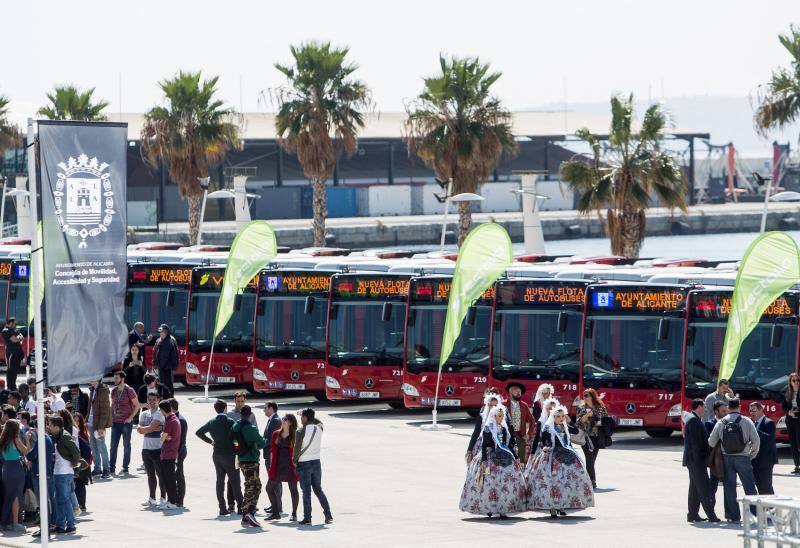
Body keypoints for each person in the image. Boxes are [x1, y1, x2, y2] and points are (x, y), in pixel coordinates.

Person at [526, 404, 593, 518]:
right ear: (553, 417)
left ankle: (562, 505)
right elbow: (544, 441)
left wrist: (569, 421)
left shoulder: (565, 425)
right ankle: (552, 507)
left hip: (566, 456)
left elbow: (576, 431)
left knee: (565, 482)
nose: (561, 418)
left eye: (562, 416)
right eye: (558, 416)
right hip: (552, 457)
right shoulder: (548, 427)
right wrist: (545, 448)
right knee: (553, 483)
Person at [460, 405, 526, 518]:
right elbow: (484, 446)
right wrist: (484, 460)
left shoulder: (504, 427)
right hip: (490, 457)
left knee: (505, 483)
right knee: (489, 484)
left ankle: (503, 509)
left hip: (505, 456)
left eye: (503, 416)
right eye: (499, 416)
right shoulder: (488, 428)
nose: (501, 418)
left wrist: (516, 457)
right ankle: (489, 508)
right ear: (494, 416)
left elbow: (508, 444)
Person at [708, 398, 760, 524]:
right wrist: (750, 455)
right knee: (750, 487)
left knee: (729, 488)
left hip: (727, 458)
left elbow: (711, 442)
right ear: (739, 406)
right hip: (743, 458)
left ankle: (734, 517)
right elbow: (756, 441)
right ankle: (756, 516)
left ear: (728, 407)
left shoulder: (721, 422)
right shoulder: (746, 421)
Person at [196, 399, 242, 516]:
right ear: (225, 408)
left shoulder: (212, 422)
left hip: (217, 454)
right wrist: (237, 448)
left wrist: (210, 441)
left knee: (219, 481)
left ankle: (222, 507)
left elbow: (199, 432)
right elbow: (236, 438)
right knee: (235, 481)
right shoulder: (230, 421)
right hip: (230, 455)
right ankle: (241, 506)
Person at [683, 399, 720, 523]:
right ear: (699, 407)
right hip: (696, 461)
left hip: (694, 461)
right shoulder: (694, 421)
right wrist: (701, 460)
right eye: (704, 407)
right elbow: (695, 444)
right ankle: (712, 516)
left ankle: (692, 514)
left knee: (694, 488)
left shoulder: (695, 420)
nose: (706, 409)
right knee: (705, 488)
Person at [295, 408, 332, 525]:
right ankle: (328, 514)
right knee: (318, 490)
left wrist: (294, 462)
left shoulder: (300, 431)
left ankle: (307, 517)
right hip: (316, 462)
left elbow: (297, 449)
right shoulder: (319, 428)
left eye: (302, 417)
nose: (300, 419)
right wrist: (311, 417)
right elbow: (319, 422)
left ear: (305, 418)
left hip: (304, 463)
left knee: (306, 492)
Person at [48, 415, 83, 535]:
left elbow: (76, 452)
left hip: (64, 473)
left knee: (64, 499)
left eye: (50, 425)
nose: (48, 427)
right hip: (60, 472)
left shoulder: (64, 436)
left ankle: (71, 525)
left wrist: (73, 464)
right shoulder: (59, 436)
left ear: (57, 426)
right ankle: (61, 525)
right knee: (59, 500)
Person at [232, 405, 266, 528]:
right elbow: (262, 443)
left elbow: (234, 442)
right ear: (250, 415)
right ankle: (248, 512)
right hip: (251, 460)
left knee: (252, 485)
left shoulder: (235, 426)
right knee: (253, 487)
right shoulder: (250, 428)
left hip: (241, 459)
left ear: (241, 414)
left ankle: (247, 515)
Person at [266, 414, 300, 521]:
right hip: (278, 466)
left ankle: (294, 514)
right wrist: (271, 466)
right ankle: (276, 512)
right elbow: (272, 451)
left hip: (291, 466)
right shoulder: (276, 434)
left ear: (290, 422)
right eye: (283, 419)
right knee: (269, 488)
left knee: (293, 489)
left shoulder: (295, 434)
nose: (283, 421)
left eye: (285, 419)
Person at [1, 419, 31, 532]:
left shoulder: (2, 440)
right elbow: (26, 450)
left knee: (9, 496)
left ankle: (5, 522)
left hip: (6, 468)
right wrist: (27, 439)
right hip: (15, 468)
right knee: (16, 496)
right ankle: (15, 523)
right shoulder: (15, 439)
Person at [136, 392, 165, 507]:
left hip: (158, 448)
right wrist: (150, 429)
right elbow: (140, 429)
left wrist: (149, 428)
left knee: (160, 475)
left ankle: (163, 498)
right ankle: (152, 498)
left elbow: (148, 428)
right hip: (146, 449)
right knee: (150, 475)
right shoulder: (144, 414)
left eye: (154, 400)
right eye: (150, 399)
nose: (152, 402)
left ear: (158, 400)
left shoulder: (160, 413)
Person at [576, 388, 609, 489]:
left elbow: (606, 420)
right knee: (589, 458)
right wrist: (587, 416)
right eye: (584, 396)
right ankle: (592, 481)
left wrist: (598, 420)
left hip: (597, 436)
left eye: (587, 395)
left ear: (592, 396)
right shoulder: (581, 407)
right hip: (586, 437)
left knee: (592, 460)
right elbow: (578, 422)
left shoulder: (600, 407)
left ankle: (586, 479)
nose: (584, 398)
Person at [109, 371, 139, 476]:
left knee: (126, 445)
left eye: (117, 378)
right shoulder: (114, 391)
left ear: (122, 379)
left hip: (126, 422)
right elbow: (112, 404)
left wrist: (130, 418)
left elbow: (137, 405)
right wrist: (110, 417)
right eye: (114, 378)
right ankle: (111, 468)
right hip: (115, 422)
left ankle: (125, 467)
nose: (115, 380)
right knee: (113, 446)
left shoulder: (129, 390)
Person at [749, 401, 777, 495]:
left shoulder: (768, 422)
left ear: (761, 410)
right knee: (759, 487)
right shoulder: (754, 423)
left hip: (766, 461)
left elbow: (769, 439)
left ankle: (772, 508)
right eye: (750, 411)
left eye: (754, 410)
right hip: (755, 461)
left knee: (766, 488)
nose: (752, 413)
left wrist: (755, 431)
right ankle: (763, 509)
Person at [158, 400, 181, 510]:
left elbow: (162, 438)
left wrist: (163, 435)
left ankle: (172, 501)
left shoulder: (170, 421)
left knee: (169, 479)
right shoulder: (175, 419)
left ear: (162, 410)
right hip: (172, 453)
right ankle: (170, 500)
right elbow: (166, 436)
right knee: (169, 478)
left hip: (168, 454)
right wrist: (166, 436)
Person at [705, 399, 728, 506]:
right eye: (723, 411)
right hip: (715, 460)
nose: (726, 414)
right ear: (716, 412)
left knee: (729, 487)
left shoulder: (729, 423)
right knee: (712, 486)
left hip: (728, 459)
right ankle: (711, 511)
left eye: (726, 411)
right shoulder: (709, 424)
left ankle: (729, 513)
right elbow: (709, 443)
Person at [87, 379, 112, 478]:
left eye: (93, 378)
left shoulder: (103, 390)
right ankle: (97, 468)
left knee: (101, 446)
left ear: (97, 379)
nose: (90, 380)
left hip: (99, 424)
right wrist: (86, 419)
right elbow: (90, 407)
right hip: (91, 423)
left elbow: (106, 410)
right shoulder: (92, 390)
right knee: (93, 447)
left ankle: (106, 469)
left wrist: (101, 427)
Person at [505, 382, 534, 464]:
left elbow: (532, 420)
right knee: (508, 459)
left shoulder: (524, 405)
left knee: (521, 459)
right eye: (516, 391)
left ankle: (520, 476)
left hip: (521, 437)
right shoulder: (503, 404)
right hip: (507, 437)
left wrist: (529, 434)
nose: (518, 393)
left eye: (520, 392)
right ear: (510, 392)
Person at [262, 401, 282, 514]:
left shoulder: (275, 421)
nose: (264, 410)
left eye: (265, 408)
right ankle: (275, 504)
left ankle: (277, 506)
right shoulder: (272, 420)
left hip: (272, 455)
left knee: (274, 481)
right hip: (269, 454)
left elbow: (271, 439)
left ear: (271, 408)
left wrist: (260, 444)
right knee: (273, 481)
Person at [169, 398, 188, 507]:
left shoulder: (180, 420)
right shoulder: (174, 418)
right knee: (174, 475)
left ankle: (180, 499)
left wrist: (175, 454)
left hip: (179, 452)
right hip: (175, 451)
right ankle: (175, 498)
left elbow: (181, 440)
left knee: (179, 475)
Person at [73, 413, 92, 513]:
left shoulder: (82, 434)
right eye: (74, 420)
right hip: (78, 462)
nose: (76, 422)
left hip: (82, 463)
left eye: (78, 421)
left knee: (80, 484)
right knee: (77, 484)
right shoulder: (74, 433)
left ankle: (82, 504)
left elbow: (87, 450)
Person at [782, 372, 800, 475]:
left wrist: (797, 410)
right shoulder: (788, 392)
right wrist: (789, 412)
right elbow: (783, 406)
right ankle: (797, 466)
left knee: (799, 443)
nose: (796, 382)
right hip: (791, 421)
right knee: (793, 444)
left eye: (798, 380)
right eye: (794, 380)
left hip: (799, 420)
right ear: (790, 382)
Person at [153, 324, 178, 397]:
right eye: (160, 332)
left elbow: (169, 355)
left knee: (167, 384)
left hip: (166, 367)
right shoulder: (160, 340)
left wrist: (161, 366)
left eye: (163, 332)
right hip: (162, 366)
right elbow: (155, 352)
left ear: (167, 332)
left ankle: (169, 398)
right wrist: (155, 363)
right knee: (163, 383)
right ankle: (165, 397)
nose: (161, 333)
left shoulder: (169, 341)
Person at [2, 317, 24, 391]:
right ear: (10, 323)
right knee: (11, 370)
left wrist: (17, 337)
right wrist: (18, 338)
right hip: (11, 353)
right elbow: (14, 340)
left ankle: (13, 386)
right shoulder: (5, 331)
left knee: (15, 370)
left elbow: (22, 337)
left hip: (18, 353)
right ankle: (9, 387)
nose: (16, 325)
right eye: (15, 324)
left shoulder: (14, 330)